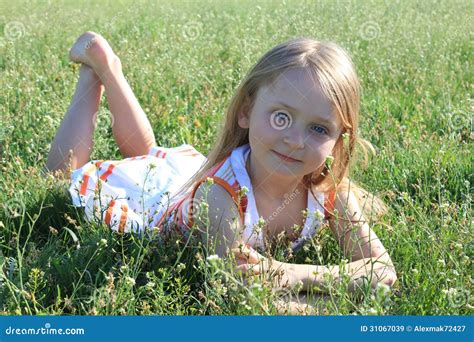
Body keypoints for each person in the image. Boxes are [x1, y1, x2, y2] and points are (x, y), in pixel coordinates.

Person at [46, 32, 397, 313]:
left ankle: (110, 69)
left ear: (339, 141)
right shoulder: (220, 195)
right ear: (246, 112)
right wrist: (340, 301)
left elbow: (383, 272)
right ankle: (98, 72)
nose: (294, 140)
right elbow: (241, 294)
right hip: (158, 207)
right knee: (65, 177)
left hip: (184, 181)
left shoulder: (330, 189)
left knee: (150, 156)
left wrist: (292, 273)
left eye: (319, 129)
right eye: (281, 117)